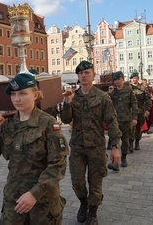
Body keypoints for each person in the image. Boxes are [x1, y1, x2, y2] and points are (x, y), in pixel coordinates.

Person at [0, 73, 68, 224]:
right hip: (14, 198)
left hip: (43, 201)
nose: (16, 99)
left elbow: (58, 165)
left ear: (35, 95)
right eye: (13, 94)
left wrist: (34, 194)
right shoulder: (7, 124)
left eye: (22, 93)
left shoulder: (48, 123)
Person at [60, 61, 122, 224]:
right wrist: (67, 103)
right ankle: (83, 202)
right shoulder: (72, 97)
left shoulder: (102, 97)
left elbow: (112, 121)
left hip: (96, 147)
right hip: (78, 148)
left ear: (93, 75)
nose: (84, 75)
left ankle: (93, 212)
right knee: (77, 182)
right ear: (78, 76)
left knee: (95, 182)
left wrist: (115, 147)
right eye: (81, 73)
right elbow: (66, 119)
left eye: (87, 72)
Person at [108, 71, 138, 169]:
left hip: (126, 120)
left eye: (119, 79)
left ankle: (124, 158)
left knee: (125, 141)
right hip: (115, 121)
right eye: (115, 80)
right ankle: (115, 162)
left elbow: (134, 104)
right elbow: (108, 105)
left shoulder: (129, 91)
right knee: (114, 141)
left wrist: (134, 118)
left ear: (123, 79)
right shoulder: (113, 93)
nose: (117, 82)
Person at [129, 72, 152, 151]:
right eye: (133, 78)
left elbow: (148, 99)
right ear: (131, 79)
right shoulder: (128, 88)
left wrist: (148, 109)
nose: (134, 80)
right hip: (130, 112)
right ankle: (131, 143)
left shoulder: (143, 88)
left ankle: (137, 142)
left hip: (140, 111)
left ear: (138, 78)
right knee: (131, 128)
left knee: (139, 128)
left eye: (135, 78)